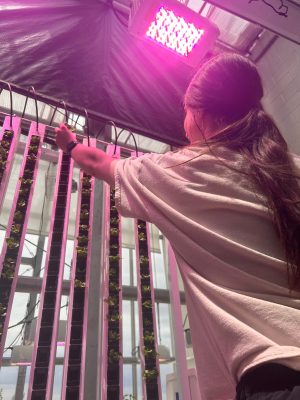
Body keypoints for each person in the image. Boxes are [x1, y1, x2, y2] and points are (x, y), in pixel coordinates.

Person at [55, 52, 300, 400]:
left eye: (185, 110)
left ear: (199, 111)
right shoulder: (290, 169)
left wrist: (70, 144)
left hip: (275, 377)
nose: (184, 120)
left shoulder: (182, 171)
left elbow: (97, 161)